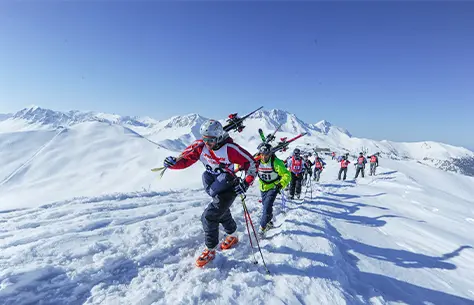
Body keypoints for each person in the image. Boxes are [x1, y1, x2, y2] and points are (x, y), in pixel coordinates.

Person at [163, 119, 256, 267]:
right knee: (222, 211)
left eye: (211, 140)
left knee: (209, 217)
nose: (207, 143)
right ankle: (232, 235)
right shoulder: (200, 146)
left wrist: (246, 183)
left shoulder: (229, 149)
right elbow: (186, 159)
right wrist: (173, 163)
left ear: (219, 136)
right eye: (204, 139)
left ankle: (211, 249)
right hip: (213, 183)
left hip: (228, 186)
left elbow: (251, 163)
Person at [255, 143, 291, 237]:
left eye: (266, 155)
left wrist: (280, 185)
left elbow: (287, 174)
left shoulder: (276, 162)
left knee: (266, 207)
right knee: (266, 206)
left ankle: (262, 228)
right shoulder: (257, 161)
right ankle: (269, 221)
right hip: (262, 187)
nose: (263, 157)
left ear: (270, 154)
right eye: (261, 154)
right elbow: (244, 164)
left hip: (273, 187)